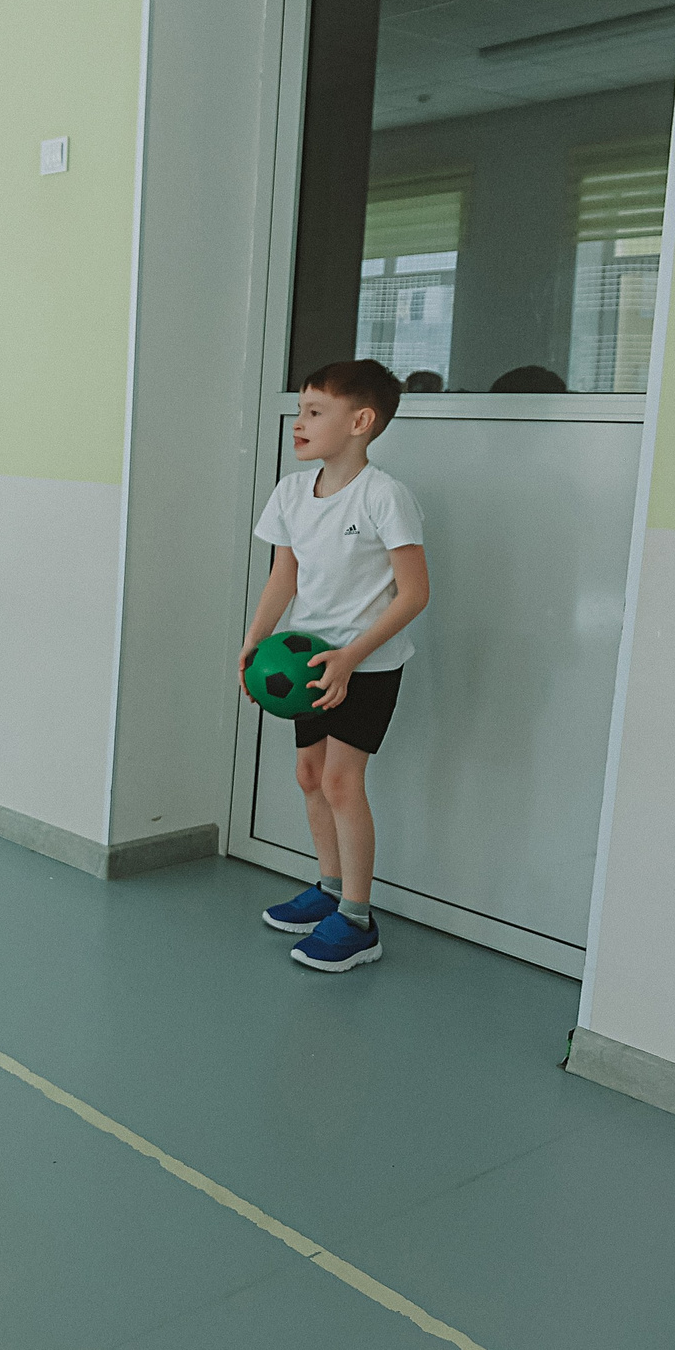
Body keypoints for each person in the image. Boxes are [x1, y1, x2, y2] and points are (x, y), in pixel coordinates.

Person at [245, 358, 430, 973]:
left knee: (342, 783)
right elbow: (284, 576)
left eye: (314, 412)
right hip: (306, 664)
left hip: (367, 666)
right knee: (309, 774)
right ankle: (328, 889)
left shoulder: (384, 496)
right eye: (299, 410)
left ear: (360, 421)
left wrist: (351, 657)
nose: (298, 423)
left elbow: (414, 594)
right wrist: (255, 641)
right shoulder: (291, 492)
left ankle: (357, 918)